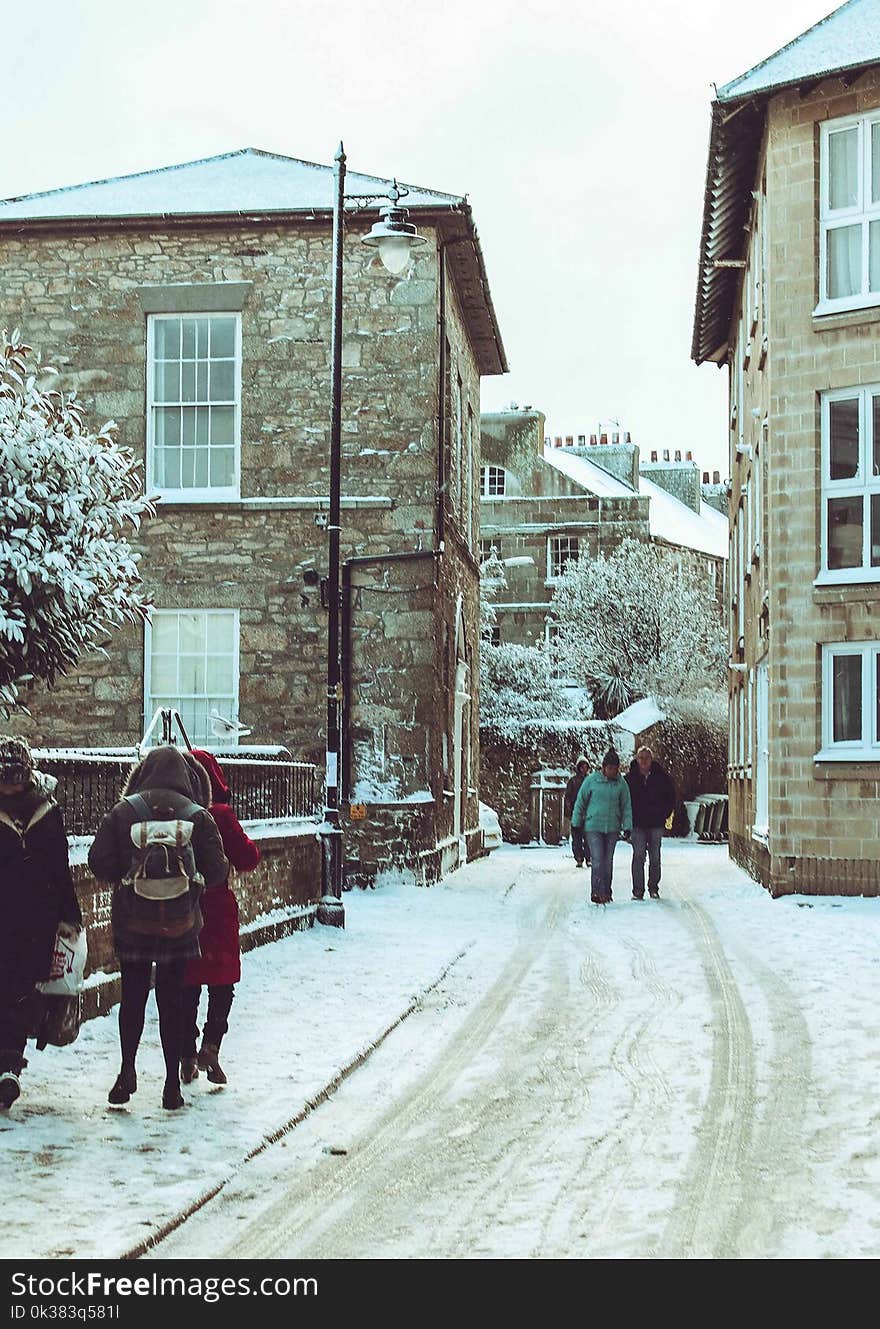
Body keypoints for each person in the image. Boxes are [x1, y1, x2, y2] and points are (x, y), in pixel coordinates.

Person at [88, 745, 227, 1111]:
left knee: (132, 997)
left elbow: (98, 863)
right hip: (180, 924)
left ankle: (127, 1071)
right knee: (172, 999)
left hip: (133, 922)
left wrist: (127, 875)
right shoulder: (198, 816)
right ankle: (170, 1085)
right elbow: (217, 872)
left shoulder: (124, 811)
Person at [0, 737, 82, 1110]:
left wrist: (71, 916)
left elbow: (59, 867)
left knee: (19, 987)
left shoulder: (47, 813)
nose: (9, 786)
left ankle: (10, 1065)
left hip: (37, 918)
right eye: (4, 779)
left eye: (14, 778)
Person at [179, 749, 260, 1087]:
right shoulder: (220, 815)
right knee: (221, 980)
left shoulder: (174, 813)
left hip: (180, 907)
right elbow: (248, 858)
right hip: (216, 907)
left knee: (186, 982)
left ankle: (185, 1050)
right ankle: (211, 1044)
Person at [570, 748, 632, 905]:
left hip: (612, 827)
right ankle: (596, 892)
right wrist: (576, 822)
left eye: (616, 768)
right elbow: (580, 802)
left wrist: (627, 826)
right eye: (610, 768)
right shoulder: (591, 781)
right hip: (593, 826)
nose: (613, 771)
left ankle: (607, 891)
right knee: (597, 859)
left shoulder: (621, 784)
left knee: (608, 860)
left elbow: (626, 806)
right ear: (604, 767)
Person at [625, 746, 676, 900]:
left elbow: (671, 797)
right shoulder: (630, 779)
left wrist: (664, 815)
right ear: (636, 759)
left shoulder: (661, 777)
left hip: (655, 823)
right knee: (638, 856)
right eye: (641, 758)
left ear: (651, 759)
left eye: (647, 757)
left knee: (655, 857)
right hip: (638, 823)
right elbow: (624, 800)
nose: (644, 761)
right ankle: (638, 890)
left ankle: (653, 887)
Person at [563, 757, 591, 868]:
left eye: (585, 767)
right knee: (577, 838)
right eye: (582, 767)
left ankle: (589, 858)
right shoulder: (573, 781)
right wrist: (569, 812)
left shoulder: (590, 781)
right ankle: (579, 858)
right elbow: (568, 797)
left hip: (589, 814)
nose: (584, 769)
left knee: (589, 838)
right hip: (577, 813)